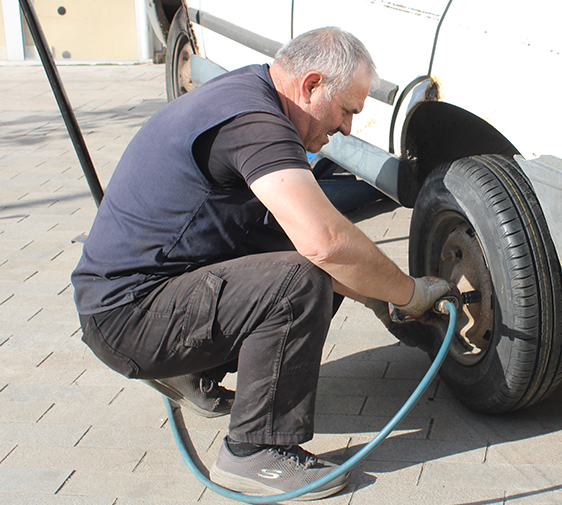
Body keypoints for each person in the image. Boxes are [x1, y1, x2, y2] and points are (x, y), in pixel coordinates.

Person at [71, 26, 452, 500]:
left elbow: (297, 239)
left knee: (306, 264)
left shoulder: (249, 90)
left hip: (135, 296)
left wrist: (382, 299)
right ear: (311, 85)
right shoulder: (255, 124)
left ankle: (189, 368)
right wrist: (410, 293)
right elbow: (326, 243)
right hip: (128, 316)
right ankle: (255, 453)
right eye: (347, 110)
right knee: (302, 278)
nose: (348, 129)